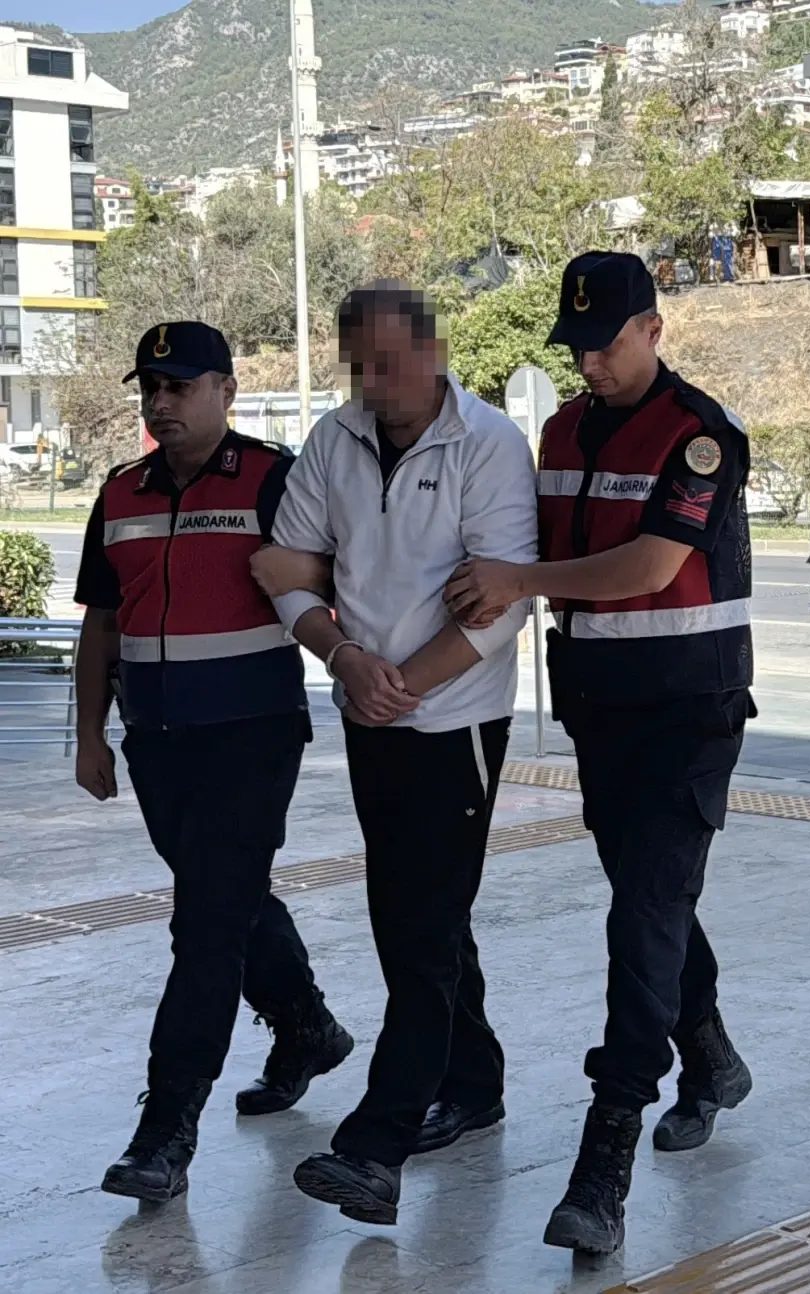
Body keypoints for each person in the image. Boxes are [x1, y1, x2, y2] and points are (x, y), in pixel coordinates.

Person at [442, 251, 754, 1256]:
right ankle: (710, 1057)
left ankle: (603, 1163)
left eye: (607, 343)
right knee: (652, 900)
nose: (590, 362)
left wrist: (519, 580)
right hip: (600, 709)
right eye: (576, 346)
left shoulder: (700, 434)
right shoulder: (564, 430)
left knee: (642, 917)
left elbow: (652, 564)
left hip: (687, 712)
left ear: (653, 330)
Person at [247, 282, 537, 1226]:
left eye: (393, 359)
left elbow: (499, 610)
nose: (378, 380)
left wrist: (401, 682)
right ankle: (475, 1082)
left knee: (417, 928)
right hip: (369, 715)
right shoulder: (334, 441)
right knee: (423, 916)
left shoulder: (487, 444)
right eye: (361, 364)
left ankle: (376, 1145)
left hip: (457, 724)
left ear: (434, 350)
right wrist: (343, 658)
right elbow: (287, 572)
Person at [73, 322, 352, 1205]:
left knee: (203, 925)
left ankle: (166, 1130)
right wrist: (89, 734)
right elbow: (102, 623)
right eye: (151, 387)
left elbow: (332, 582)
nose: (162, 403)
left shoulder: (273, 479)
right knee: (225, 900)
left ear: (225, 391)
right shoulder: (120, 491)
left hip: (250, 736)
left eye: (180, 386)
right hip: (156, 741)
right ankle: (307, 1027)